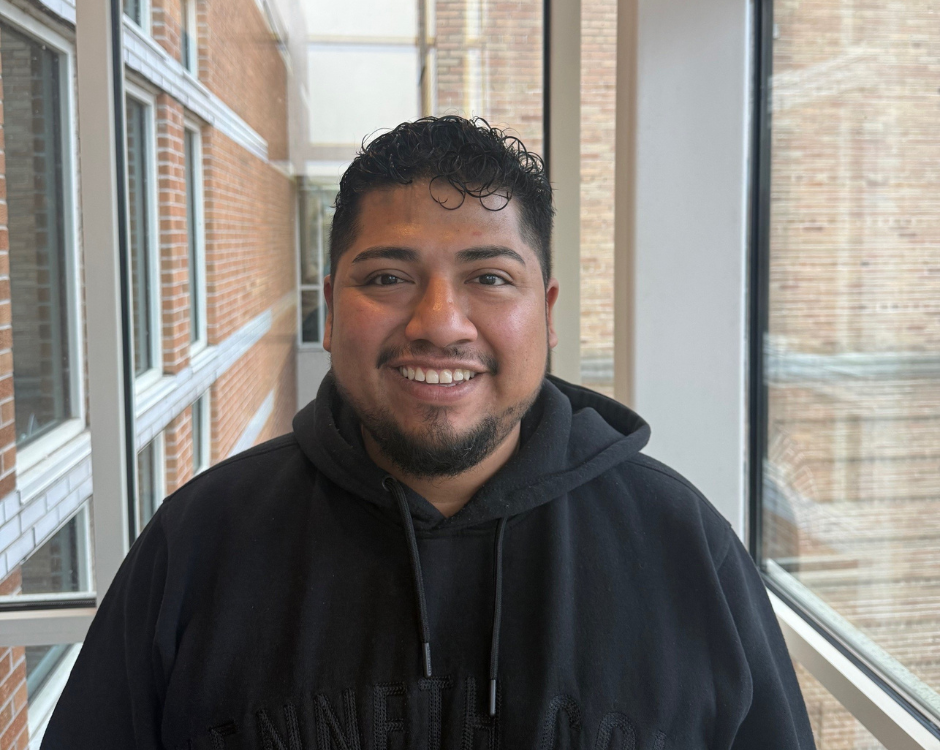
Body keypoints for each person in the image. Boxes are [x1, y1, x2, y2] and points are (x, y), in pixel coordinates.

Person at [43, 116, 816, 749]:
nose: (440, 324)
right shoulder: (197, 545)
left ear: (547, 314)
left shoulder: (688, 551)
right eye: (387, 277)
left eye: (489, 277)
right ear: (331, 307)